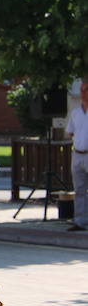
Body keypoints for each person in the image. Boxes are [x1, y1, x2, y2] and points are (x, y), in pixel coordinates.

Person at [65, 77, 88, 231]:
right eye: (82, 90)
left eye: (86, 90)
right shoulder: (75, 112)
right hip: (77, 154)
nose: (83, 93)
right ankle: (80, 220)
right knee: (79, 189)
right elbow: (69, 132)